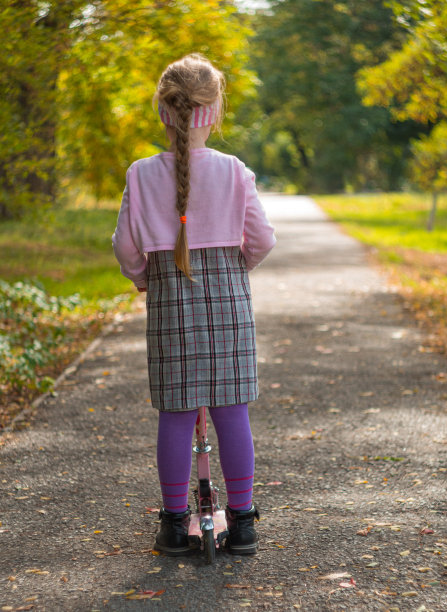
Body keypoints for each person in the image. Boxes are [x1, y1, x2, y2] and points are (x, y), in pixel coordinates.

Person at [112, 53, 276, 556]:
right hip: (228, 303)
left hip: (170, 304)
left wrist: (144, 278)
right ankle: (243, 523)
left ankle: (172, 523)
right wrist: (237, 268)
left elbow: (125, 247)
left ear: (164, 112)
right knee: (232, 411)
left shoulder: (141, 174)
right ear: (215, 112)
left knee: (176, 414)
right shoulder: (234, 171)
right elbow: (262, 240)